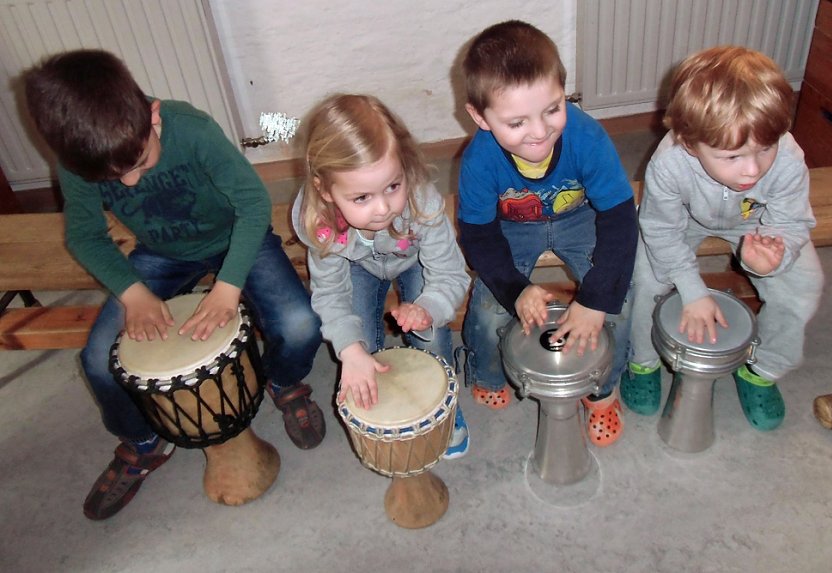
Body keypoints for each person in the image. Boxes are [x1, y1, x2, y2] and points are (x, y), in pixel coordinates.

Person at [24, 49, 325, 520]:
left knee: (300, 323)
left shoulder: (192, 128)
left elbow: (251, 204)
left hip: (235, 236)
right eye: (113, 177)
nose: (129, 182)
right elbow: (84, 237)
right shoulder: (76, 160)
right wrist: (133, 293)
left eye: (139, 162)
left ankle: (284, 380)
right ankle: (143, 441)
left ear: (153, 116)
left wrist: (228, 285)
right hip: (160, 253)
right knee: (98, 361)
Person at [621, 46, 823, 430]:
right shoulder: (669, 161)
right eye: (732, 157)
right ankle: (642, 361)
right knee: (645, 278)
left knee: (803, 284)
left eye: (765, 149)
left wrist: (773, 256)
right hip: (682, 219)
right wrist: (692, 290)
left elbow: (792, 221)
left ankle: (761, 370)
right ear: (689, 142)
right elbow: (660, 229)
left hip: (756, 222)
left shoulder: (787, 159)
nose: (752, 170)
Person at [456, 20, 638, 447]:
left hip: (580, 217)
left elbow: (620, 219)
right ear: (480, 117)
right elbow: (478, 236)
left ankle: (602, 389)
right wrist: (515, 290)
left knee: (622, 301)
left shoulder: (587, 137)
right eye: (516, 122)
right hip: (511, 228)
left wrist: (596, 300)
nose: (539, 132)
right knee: (488, 309)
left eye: (553, 109)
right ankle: (487, 374)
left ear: (563, 91)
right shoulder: (478, 161)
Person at [293, 93, 472, 458]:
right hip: (357, 265)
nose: (382, 208)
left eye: (393, 186)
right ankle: (387, 412)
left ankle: (444, 408)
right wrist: (351, 350)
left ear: (404, 166)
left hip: (415, 260)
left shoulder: (422, 203)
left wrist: (428, 308)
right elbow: (330, 295)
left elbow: (451, 274)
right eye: (361, 198)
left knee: (431, 339)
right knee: (362, 347)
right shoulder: (321, 225)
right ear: (324, 190)